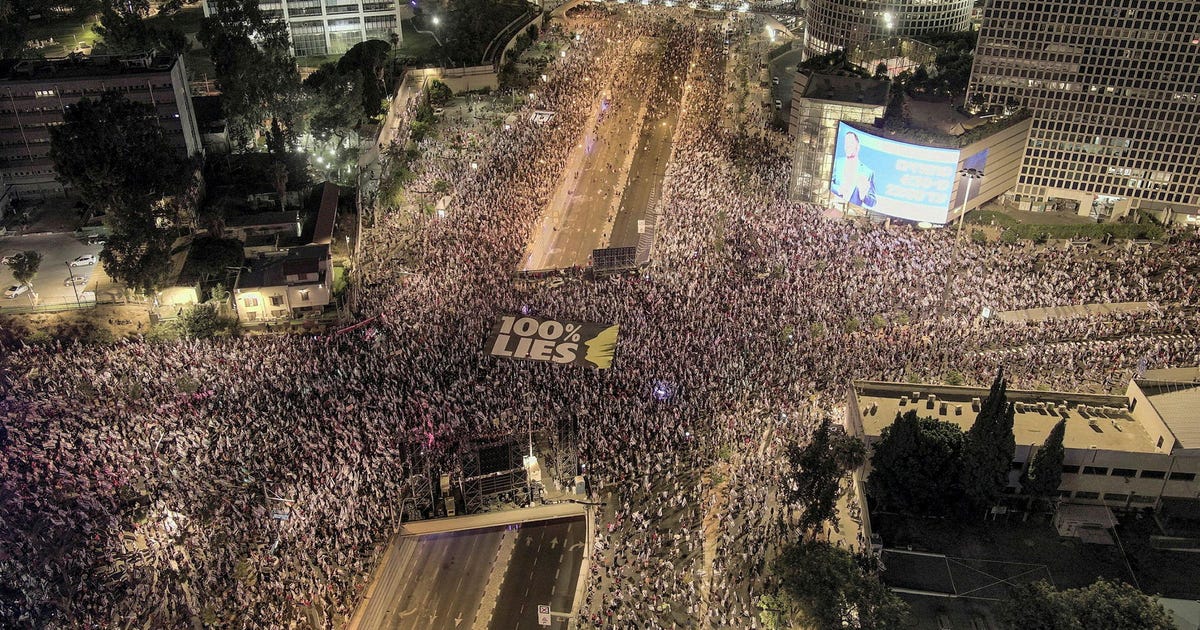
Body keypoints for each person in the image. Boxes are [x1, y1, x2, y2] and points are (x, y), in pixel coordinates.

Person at [830, 131, 877, 208]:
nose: (847, 146)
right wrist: (839, 189)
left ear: (857, 146)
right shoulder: (837, 163)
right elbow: (827, 182)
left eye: (850, 143)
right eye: (846, 144)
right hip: (833, 205)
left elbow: (873, 202)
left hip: (851, 212)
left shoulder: (868, 172)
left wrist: (864, 196)